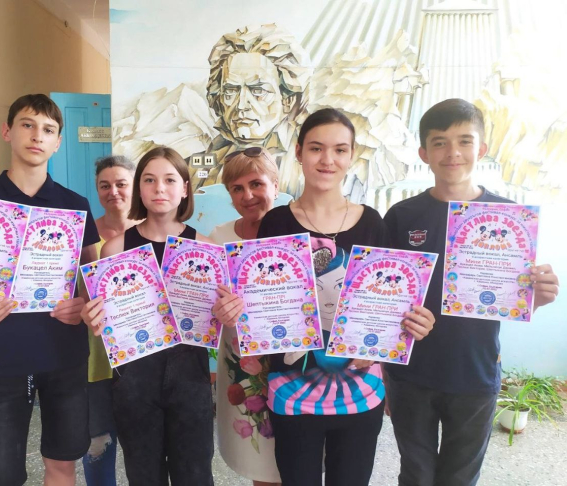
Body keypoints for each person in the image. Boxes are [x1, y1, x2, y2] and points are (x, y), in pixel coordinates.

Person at [214, 108, 436, 486]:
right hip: (291, 392)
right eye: (316, 148)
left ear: (351, 156)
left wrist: (413, 324)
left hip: (361, 393)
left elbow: (390, 304)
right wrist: (235, 312)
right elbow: (261, 303)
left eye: (339, 150)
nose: (327, 160)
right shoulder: (276, 223)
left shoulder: (373, 223)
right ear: (299, 152)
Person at [382, 98, 560, 486]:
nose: (453, 152)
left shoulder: (508, 217)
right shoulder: (402, 216)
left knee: (460, 477)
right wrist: (384, 368)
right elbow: (382, 295)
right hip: (410, 374)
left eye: (465, 140)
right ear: (423, 154)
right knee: (415, 474)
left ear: (482, 149)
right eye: (440, 142)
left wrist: (535, 298)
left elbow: (513, 296)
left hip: (475, 372)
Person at [0, 94, 100, 486]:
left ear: (58, 142)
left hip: (63, 355)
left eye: (48, 129)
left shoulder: (75, 206)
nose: (36, 135)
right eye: (27, 124)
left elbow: (91, 280)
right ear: (7, 131)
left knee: (63, 462)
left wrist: (83, 305)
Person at [81, 146, 215, 485]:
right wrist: (94, 317)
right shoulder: (116, 248)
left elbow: (217, 319)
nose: (159, 189)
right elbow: (105, 318)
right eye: (150, 180)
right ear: (139, 188)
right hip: (134, 376)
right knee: (143, 474)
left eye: (170, 180)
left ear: (184, 188)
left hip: (191, 375)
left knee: (195, 473)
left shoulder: (206, 248)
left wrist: (227, 313)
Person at [209, 147, 282, 485]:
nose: (247, 195)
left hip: (293, 363)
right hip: (242, 365)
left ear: (276, 185)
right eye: (237, 188)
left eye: (256, 184)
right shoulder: (218, 238)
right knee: (259, 460)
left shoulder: (296, 235)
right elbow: (204, 308)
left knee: (299, 459)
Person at [190, 23, 311, 193]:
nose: (241, 105)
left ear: (287, 100)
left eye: (258, 91)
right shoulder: (208, 159)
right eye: (231, 90)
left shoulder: (307, 163)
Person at [82, 155, 138, 485]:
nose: (113, 191)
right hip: (97, 362)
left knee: (143, 447)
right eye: (105, 185)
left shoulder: (151, 231)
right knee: (98, 444)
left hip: (141, 359)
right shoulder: (85, 234)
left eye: (121, 184)